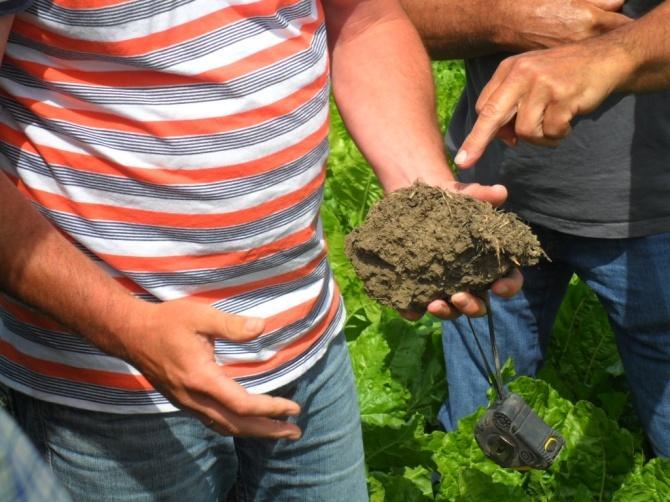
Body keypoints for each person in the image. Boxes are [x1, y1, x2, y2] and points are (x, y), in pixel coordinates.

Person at [0, 1, 521, 500]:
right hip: (109, 383)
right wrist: (125, 327)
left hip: (306, 343)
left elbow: (363, 19)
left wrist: (430, 210)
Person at [402, 0, 670, 456]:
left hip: (655, 211)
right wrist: (502, 19)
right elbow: (382, 21)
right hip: (493, 206)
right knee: (480, 441)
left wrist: (612, 54)